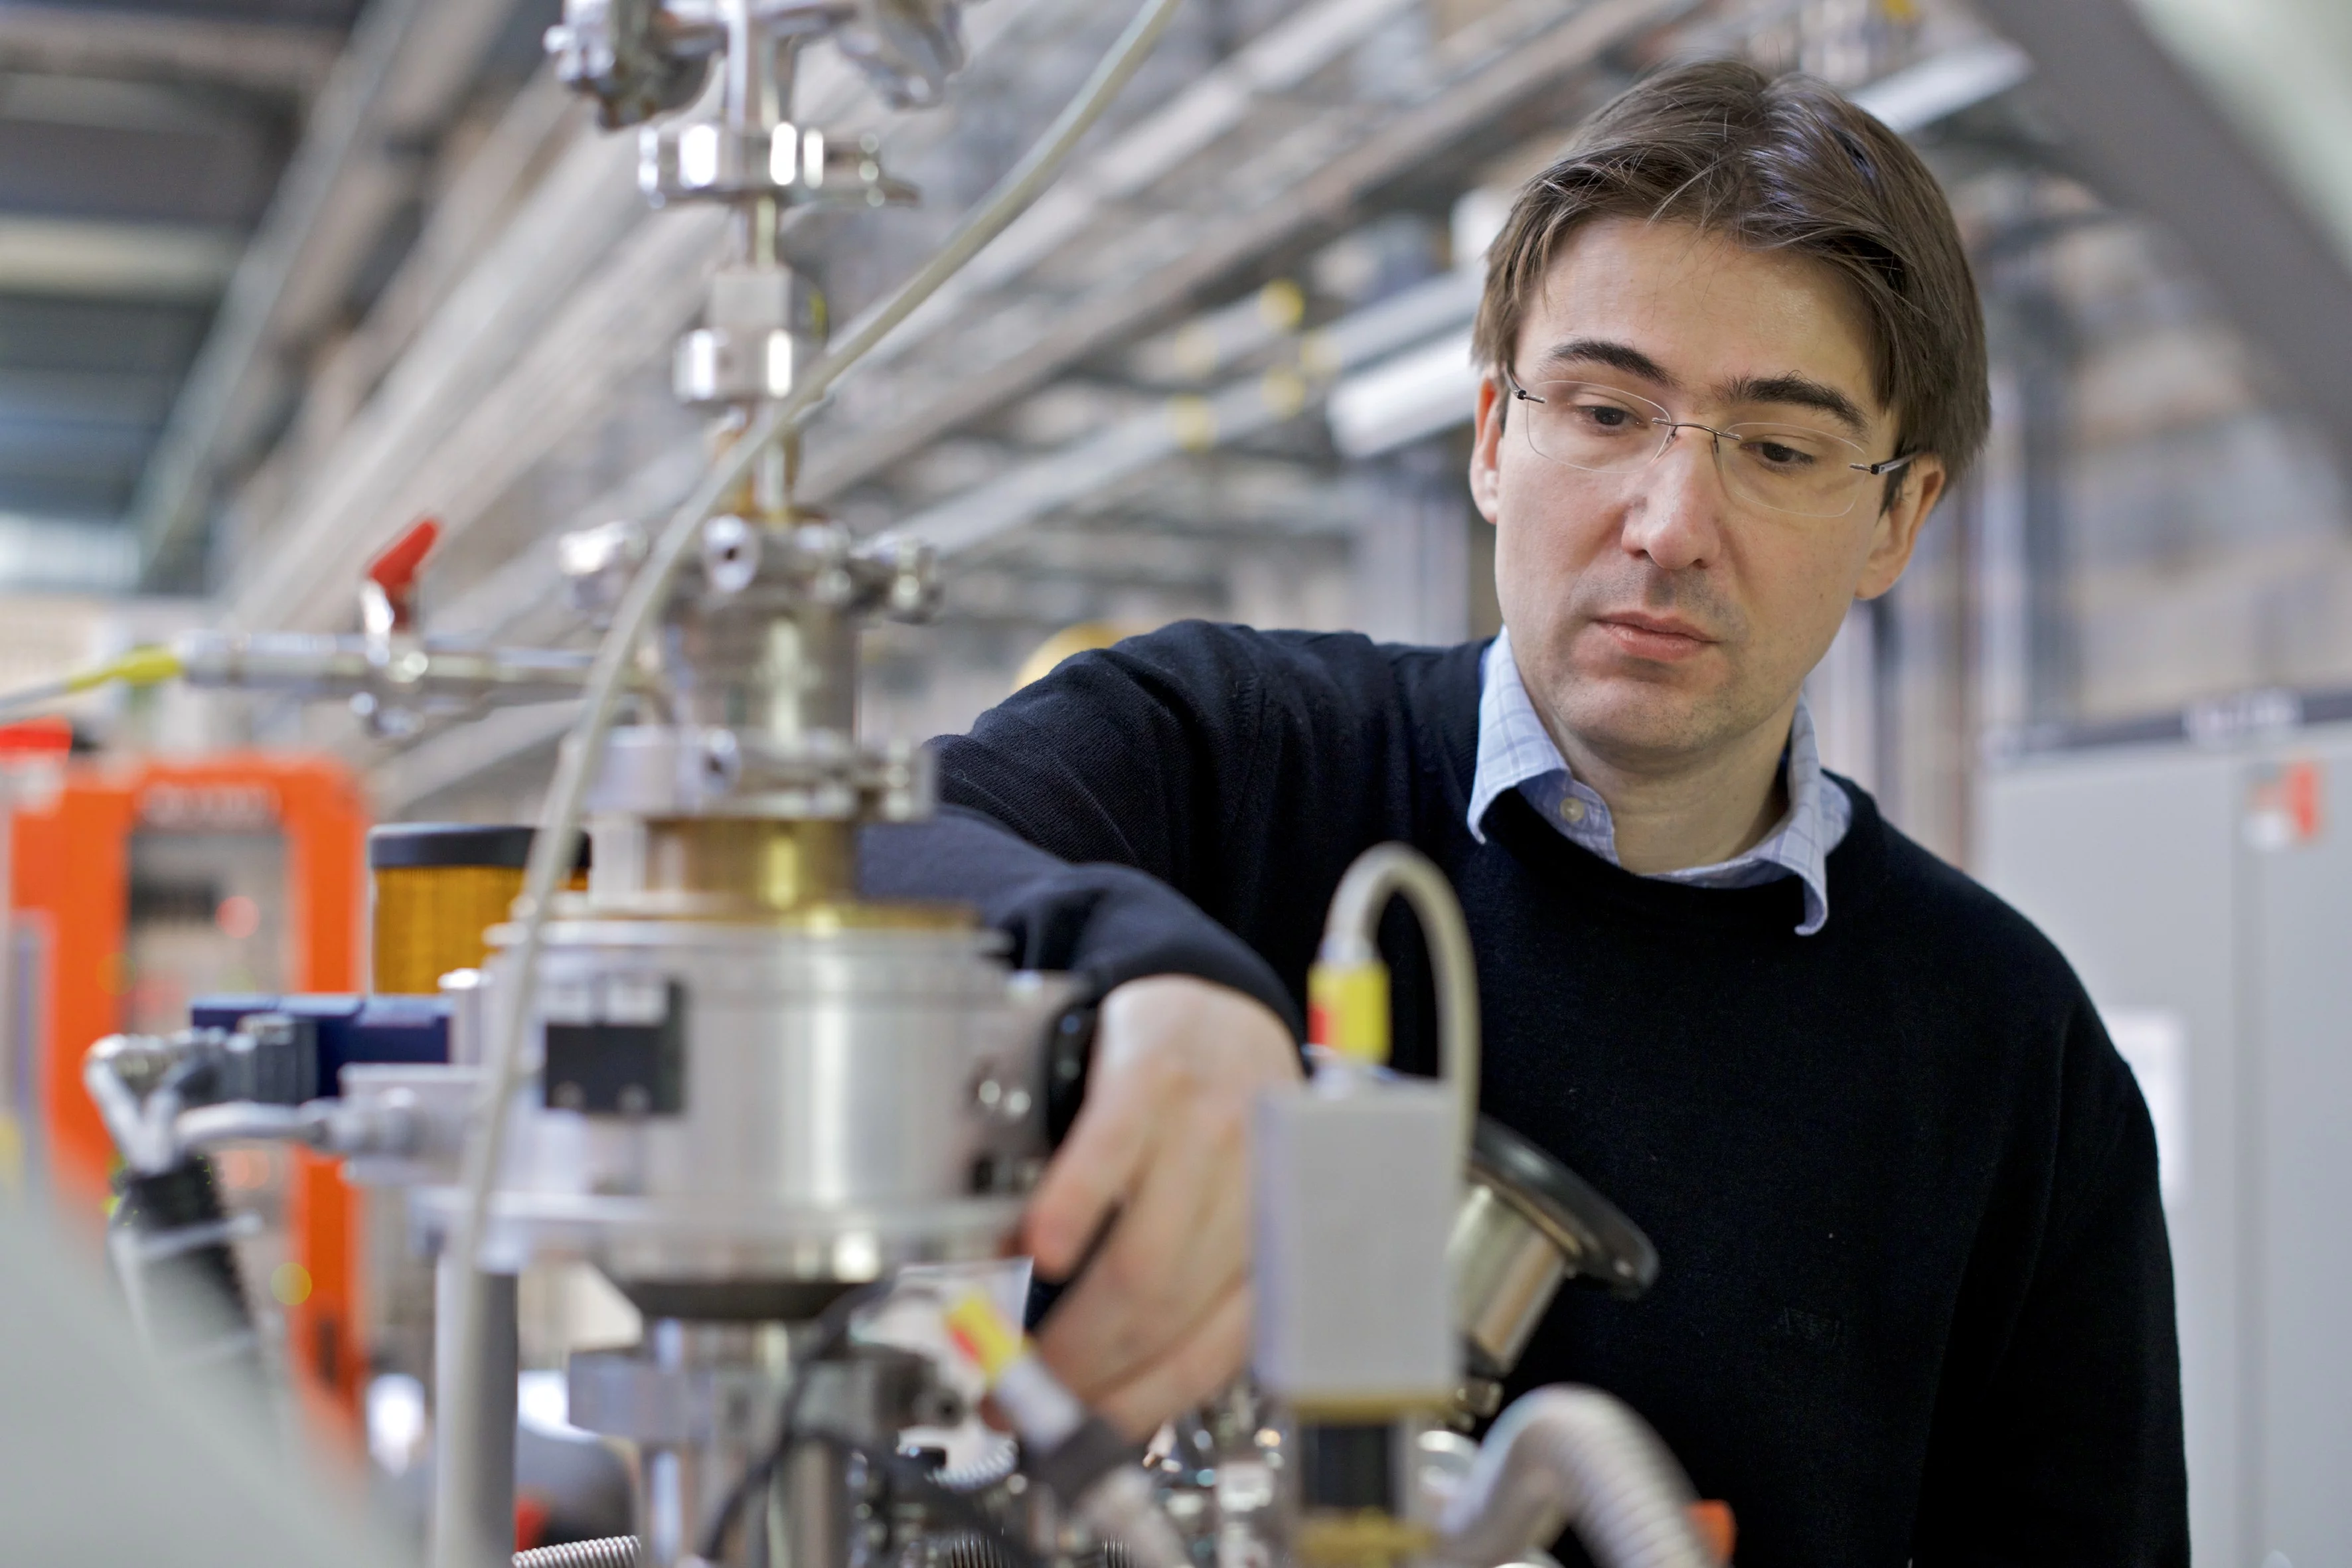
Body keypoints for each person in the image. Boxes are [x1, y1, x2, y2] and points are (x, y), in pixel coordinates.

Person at [866, 59, 2187, 1567]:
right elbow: (857, 854)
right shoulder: (1226, 757)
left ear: (1896, 515)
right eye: (1607, 409)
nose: (1669, 524)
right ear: (1493, 435)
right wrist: (1136, 968)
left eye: (1777, 447)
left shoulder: (2008, 1048)